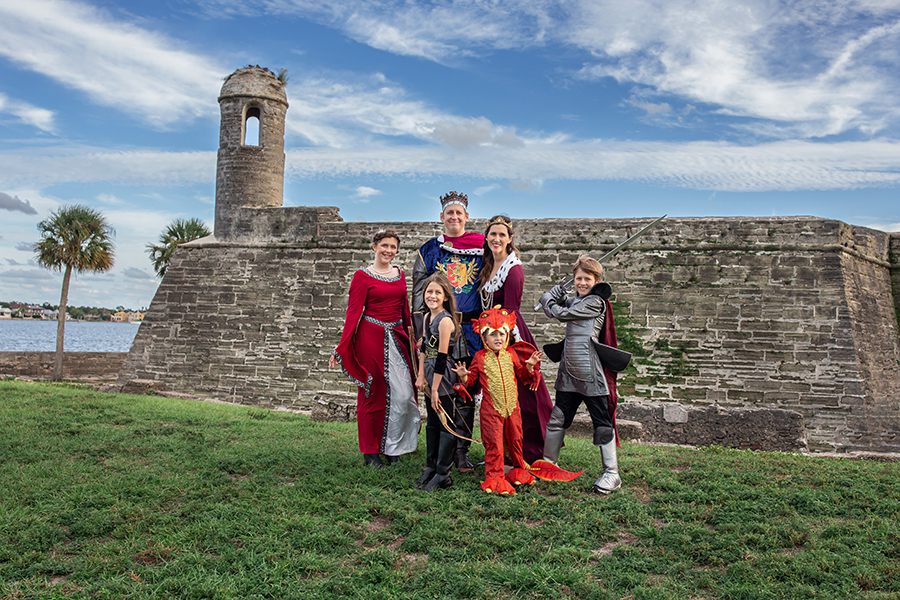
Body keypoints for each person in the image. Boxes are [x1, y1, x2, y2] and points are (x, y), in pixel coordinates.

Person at [330, 230, 420, 468]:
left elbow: (405, 310)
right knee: (372, 395)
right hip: (371, 338)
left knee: (403, 394)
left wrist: (414, 336)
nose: (388, 250)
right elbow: (353, 313)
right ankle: (370, 452)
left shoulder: (400, 275)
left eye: (393, 247)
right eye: (384, 245)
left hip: (399, 338)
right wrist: (342, 347)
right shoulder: (362, 276)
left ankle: (393, 446)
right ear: (374, 247)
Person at [412, 191, 484, 473]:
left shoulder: (482, 246)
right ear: (441, 218)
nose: (454, 217)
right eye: (449, 213)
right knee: (440, 387)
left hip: (473, 328)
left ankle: (461, 450)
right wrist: (420, 332)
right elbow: (419, 294)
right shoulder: (429, 250)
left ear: (467, 218)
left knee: (466, 387)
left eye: (459, 213)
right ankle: (441, 451)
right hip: (440, 325)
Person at [537, 256, 623, 494]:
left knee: (601, 423)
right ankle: (549, 463)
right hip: (568, 370)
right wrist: (560, 297)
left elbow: (564, 314)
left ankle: (612, 473)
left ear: (596, 281)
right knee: (558, 417)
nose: (582, 283)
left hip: (590, 371)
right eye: (578, 278)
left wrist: (549, 300)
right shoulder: (577, 300)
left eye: (587, 279)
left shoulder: (596, 302)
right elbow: (569, 305)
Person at [477, 215, 554, 463]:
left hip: (508, 335)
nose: (497, 238)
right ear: (486, 237)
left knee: (520, 394)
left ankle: (529, 451)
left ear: (510, 239)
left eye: (502, 235)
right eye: (493, 234)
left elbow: (509, 311)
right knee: (496, 395)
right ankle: (501, 452)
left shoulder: (514, 268)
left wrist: (505, 346)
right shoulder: (487, 265)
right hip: (491, 336)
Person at [452, 306, 543, 496]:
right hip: (491, 410)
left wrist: (530, 366)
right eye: (493, 335)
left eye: (502, 334)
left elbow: (522, 376)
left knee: (516, 439)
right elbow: (472, 382)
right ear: (484, 338)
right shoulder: (479, 357)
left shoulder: (511, 355)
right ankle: (494, 477)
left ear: (507, 335)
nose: (498, 338)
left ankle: (518, 469)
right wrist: (463, 378)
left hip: (512, 408)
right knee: (494, 443)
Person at [413, 273, 464, 491]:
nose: (432, 296)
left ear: (444, 297)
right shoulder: (427, 318)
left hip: (443, 377)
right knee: (432, 423)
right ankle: (431, 468)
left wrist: (435, 389)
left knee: (446, 424)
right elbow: (425, 347)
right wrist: (421, 375)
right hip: (429, 372)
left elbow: (442, 357)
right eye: (429, 292)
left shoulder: (445, 321)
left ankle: (444, 475)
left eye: (437, 292)